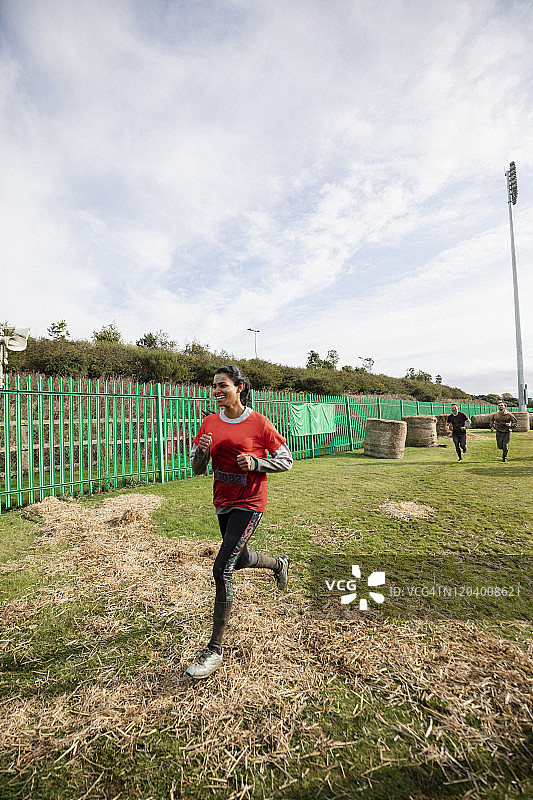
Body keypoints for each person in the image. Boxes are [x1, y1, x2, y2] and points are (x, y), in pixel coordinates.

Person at [186, 365, 293, 679]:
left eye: (223, 385)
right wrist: (202, 453)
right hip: (223, 502)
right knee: (240, 556)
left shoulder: (258, 423)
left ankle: (214, 648)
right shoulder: (209, 423)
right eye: (214, 386)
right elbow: (195, 468)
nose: (217, 391)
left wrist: (258, 462)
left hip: (250, 503)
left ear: (240, 388)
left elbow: (286, 460)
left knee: (222, 567)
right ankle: (278, 564)